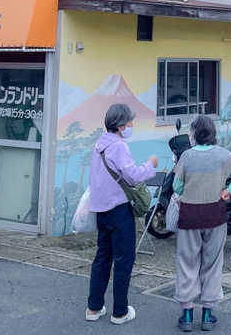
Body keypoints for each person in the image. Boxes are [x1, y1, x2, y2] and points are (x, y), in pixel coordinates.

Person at [173, 115, 231, 332]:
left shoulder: (186, 157)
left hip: (189, 217)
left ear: (194, 135)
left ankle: (187, 314)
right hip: (215, 216)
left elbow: (177, 187)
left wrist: (191, 190)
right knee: (212, 263)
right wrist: (229, 191)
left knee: (187, 263)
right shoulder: (222, 155)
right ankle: (208, 314)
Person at [86, 103, 158, 325]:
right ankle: (119, 312)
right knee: (124, 259)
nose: (132, 125)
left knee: (102, 258)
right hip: (119, 209)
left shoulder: (99, 144)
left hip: (101, 209)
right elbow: (133, 176)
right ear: (120, 125)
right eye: (130, 122)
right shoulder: (118, 146)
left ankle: (94, 308)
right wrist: (150, 165)